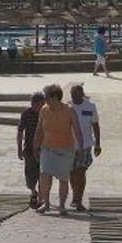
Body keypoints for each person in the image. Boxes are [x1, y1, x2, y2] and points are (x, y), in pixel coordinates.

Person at [33, 83, 83, 215]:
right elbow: (39, 130)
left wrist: (81, 146)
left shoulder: (69, 110)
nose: (46, 101)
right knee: (44, 175)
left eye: (48, 98)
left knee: (63, 179)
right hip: (48, 148)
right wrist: (35, 146)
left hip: (65, 149)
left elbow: (77, 129)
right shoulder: (44, 110)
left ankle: (61, 205)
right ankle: (46, 203)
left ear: (55, 97)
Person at [68, 83, 100, 212]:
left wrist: (98, 143)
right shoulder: (67, 107)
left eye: (77, 94)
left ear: (82, 94)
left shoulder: (90, 107)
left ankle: (79, 199)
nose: (74, 97)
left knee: (81, 172)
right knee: (71, 172)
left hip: (85, 145)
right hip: (69, 146)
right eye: (72, 94)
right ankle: (75, 196)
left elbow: (95, 126)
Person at [16, 91, 45, 208]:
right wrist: (19, 148)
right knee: (30, 174)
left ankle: (41, 197)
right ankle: (33, 192)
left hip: (44, 149)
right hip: (29, 149)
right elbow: (20, 131)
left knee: (43, 174)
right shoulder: (26, 114)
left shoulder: (46, 113)